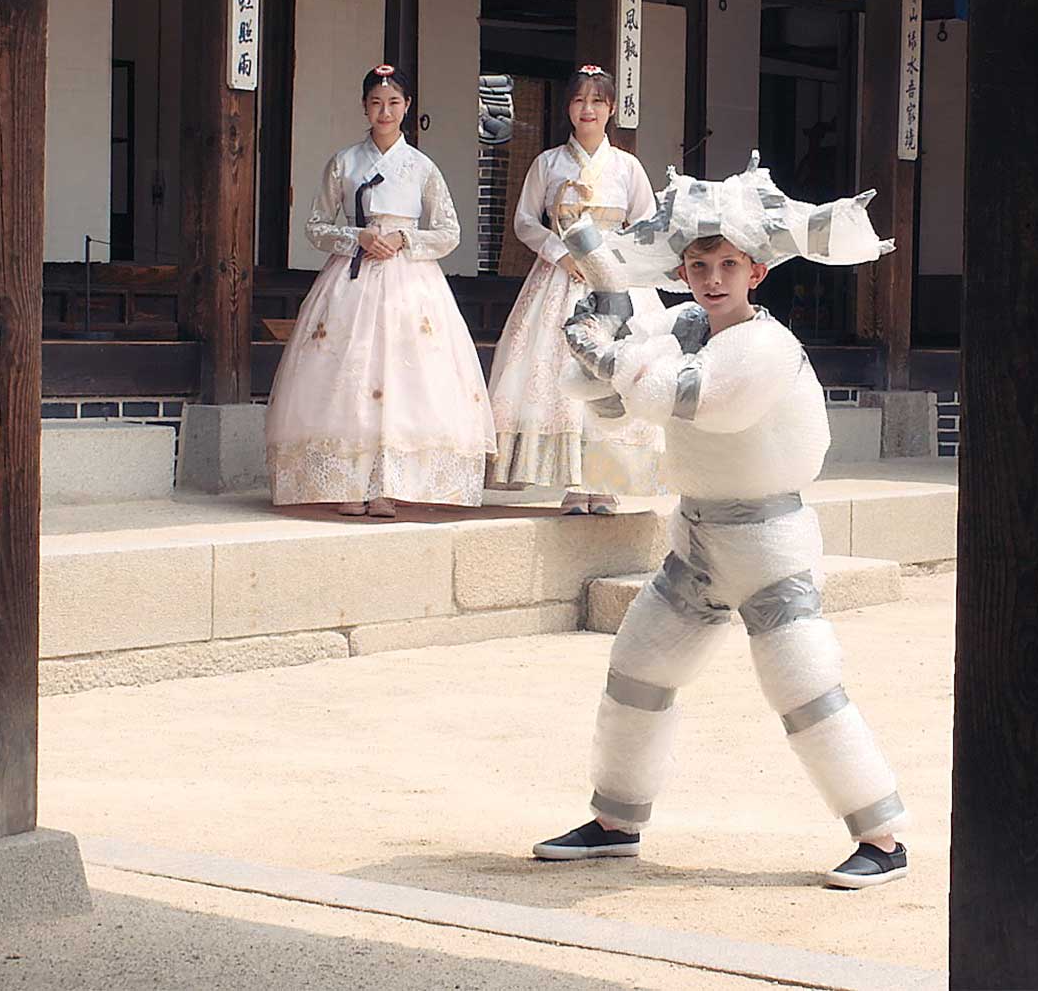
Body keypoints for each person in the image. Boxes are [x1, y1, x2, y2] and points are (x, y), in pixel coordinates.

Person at [530, 159, 908, 889]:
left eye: (727, 263)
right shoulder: (681, 323)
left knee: (805, 690)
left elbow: (690, 396)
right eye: (699, 263)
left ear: (756, 271)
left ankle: (884, 834)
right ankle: (616, 819)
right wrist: (599, 338)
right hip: (697, 538)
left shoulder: (765, 345)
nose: (711, 276)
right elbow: (614, 397)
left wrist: (612, 358)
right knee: (638, 670)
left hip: (768, 543)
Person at [264, 64, 493, 517]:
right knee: (348, 377)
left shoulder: (423, 168)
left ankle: (388, 486)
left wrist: (406, 239)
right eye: (375, 103)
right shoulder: (344, 162)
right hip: (353, 276)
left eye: (393, 102)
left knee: (404, 377)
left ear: (407, 107)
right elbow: (316, 226)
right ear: (364, 107)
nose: (384, 111)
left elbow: (449, 232)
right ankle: (350, 481)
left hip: (410, 281)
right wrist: (358, 237)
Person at [484, 66, 667, 515]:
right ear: (569, 107)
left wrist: (612, 258)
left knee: (610, 374)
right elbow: (525, 221)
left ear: (610, 110)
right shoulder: (548, 163)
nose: (588, 110)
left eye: (597, 102)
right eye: (579, 100)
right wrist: (559, 252)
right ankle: (571, 483)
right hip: (560, 277)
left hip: (612, 282)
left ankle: (604, 482)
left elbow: (646, 223)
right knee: (557, 373)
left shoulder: (627, 167)